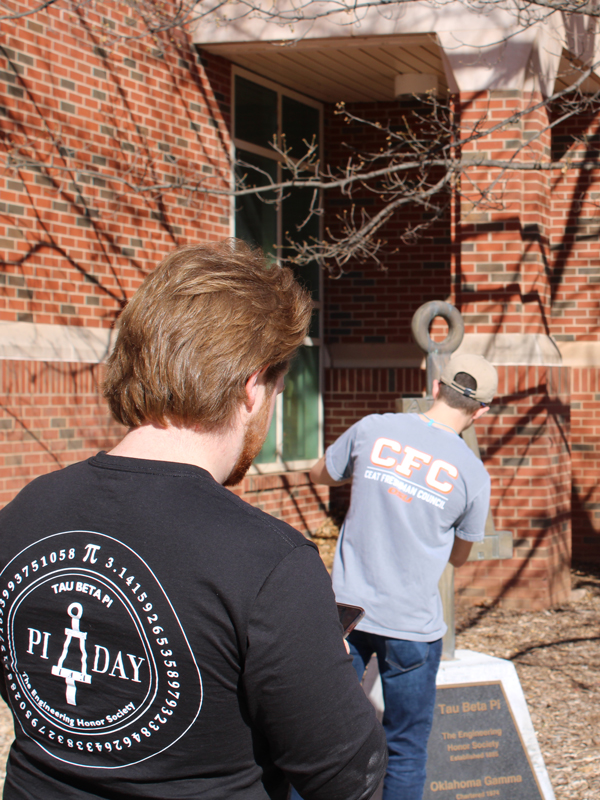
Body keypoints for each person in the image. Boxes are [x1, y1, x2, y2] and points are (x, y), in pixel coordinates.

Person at [0, 240, 387, 800]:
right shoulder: (270, 564)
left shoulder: (25, 512)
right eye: (278, 389)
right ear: (252, 386)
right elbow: (348, 777)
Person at [309, 354, 498, 800]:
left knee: (321, 737)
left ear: (435, 387)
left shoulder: (374, 428)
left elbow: (320, 472)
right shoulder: (473, 473)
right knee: (407, 749)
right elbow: (460, 557)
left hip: (346, 614)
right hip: (413, 627)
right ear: (481, 411)